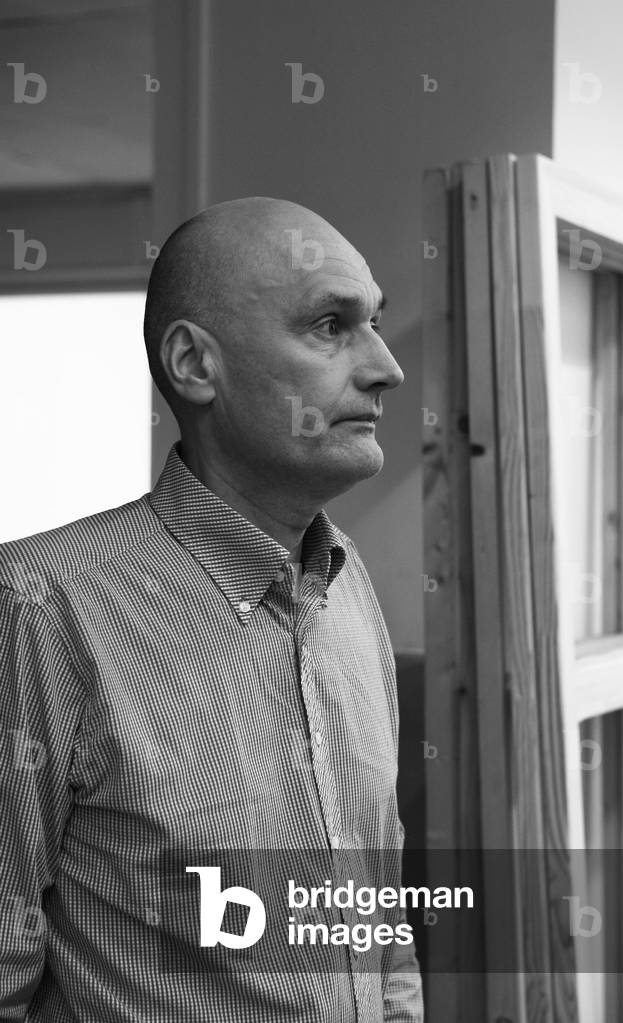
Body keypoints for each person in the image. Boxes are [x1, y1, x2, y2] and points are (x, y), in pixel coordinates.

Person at [0, 197, 424, 1021]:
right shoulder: (40, 605)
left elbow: (381, 923)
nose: (386, 366)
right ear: (196, 363)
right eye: (331, 326)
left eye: (374, 321)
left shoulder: (345, 585)